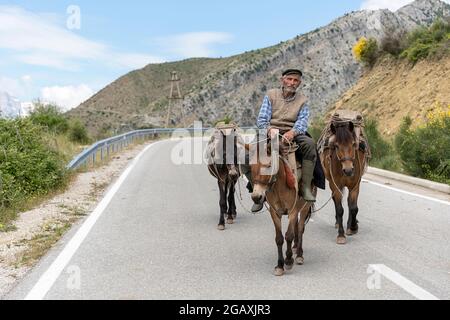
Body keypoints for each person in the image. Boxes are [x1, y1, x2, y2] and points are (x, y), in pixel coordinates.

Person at [244, 68, 318, 212]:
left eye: (295, 80)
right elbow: (262, 119)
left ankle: (306, 187)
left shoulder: (303, 100)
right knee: (246, 155)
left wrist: (293, 132)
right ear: (282, 80)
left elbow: (302, 121)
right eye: (289, 79)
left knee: (310, 145)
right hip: (269, 131)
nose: (292, 83)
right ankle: (256, 189)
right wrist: (269, 129)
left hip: (292, 133)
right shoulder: (271, 95)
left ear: (299, 83)